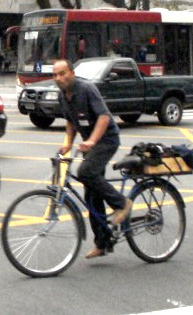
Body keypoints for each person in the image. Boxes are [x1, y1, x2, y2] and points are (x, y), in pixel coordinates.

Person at [53, 59, 132, 259]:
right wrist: (69, 144)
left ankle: (122, 204)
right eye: (55, 75)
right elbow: (70, 121)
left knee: (85, 172)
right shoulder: (63, 96)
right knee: (91, 196)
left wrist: (92, 141)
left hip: (106, 140)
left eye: (62, 73)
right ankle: (103, 242)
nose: (59, 78)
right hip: (90, 144)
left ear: (71, 72)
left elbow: (104, 117)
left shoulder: (86, 89)